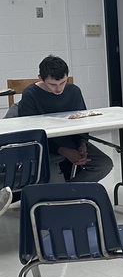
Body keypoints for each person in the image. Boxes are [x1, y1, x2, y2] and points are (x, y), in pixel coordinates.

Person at [18, 55, 114, 183]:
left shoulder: (73, 91)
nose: (58, 89)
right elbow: (31, 134)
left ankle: (69, 190)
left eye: (63, 82)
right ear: (41, 78)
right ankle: (61, 190)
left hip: (70, 140)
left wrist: (82, 144)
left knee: (104, 164)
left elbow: (82, 123)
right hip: (44, 146)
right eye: (52, 84)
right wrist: (64, 151)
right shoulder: (30, 94)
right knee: (53, 179)